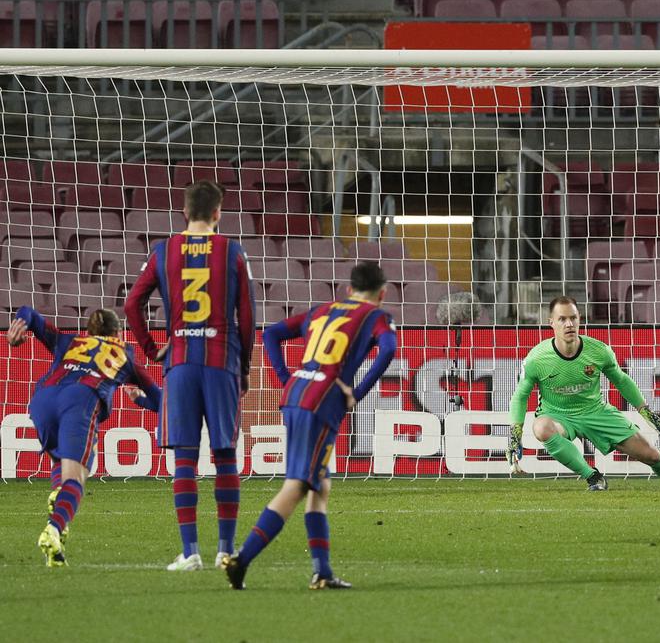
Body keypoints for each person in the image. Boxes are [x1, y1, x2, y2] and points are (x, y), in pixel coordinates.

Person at [225, 261, 398, 591]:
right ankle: (241, 560)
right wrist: (356, 392)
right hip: (323, 401)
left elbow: (272, 333)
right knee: (298, 485)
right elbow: (388, 348)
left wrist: (286, 379)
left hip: (297, 393)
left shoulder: (322, 310)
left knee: (320, 484)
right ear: (382, 293)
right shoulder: (376, 316)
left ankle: (322, 571)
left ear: (348, 290)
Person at [124, 180, 257, 572]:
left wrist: (151, 349)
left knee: (184, 457)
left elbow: (132, 304)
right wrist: (244, 365)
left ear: (184, 212)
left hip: (180, 361)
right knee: (225, 454)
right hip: (221, 362)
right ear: (218, 213)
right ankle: (225, 551)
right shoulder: (233, 251)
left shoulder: (162, 251)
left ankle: (190, 552)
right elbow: (246, 315)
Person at [506, 296, 660, 491]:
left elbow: (621, 380)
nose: (569, 324)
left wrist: (646, 413)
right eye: (562, 319)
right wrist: (516, 433)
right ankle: (593, 476)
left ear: (580, 319)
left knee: (651, 455)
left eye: (573, 318)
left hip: (596, 411)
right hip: (558, 415)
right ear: (551, 322)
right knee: (541, 427)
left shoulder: (598, 351)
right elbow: (520, 395)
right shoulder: (537, 359)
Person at [7, 306, 160, 567]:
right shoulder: (125, 353)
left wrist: (17, 329)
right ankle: (53, 529)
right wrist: (141, 401)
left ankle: (58, 504)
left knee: (60, 459)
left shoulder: (68, 340)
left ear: (88, 331)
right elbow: (162, 400)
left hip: (42, 400)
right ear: (118, 333)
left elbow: (28, 312)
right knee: (77, 476)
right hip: (80, 401)